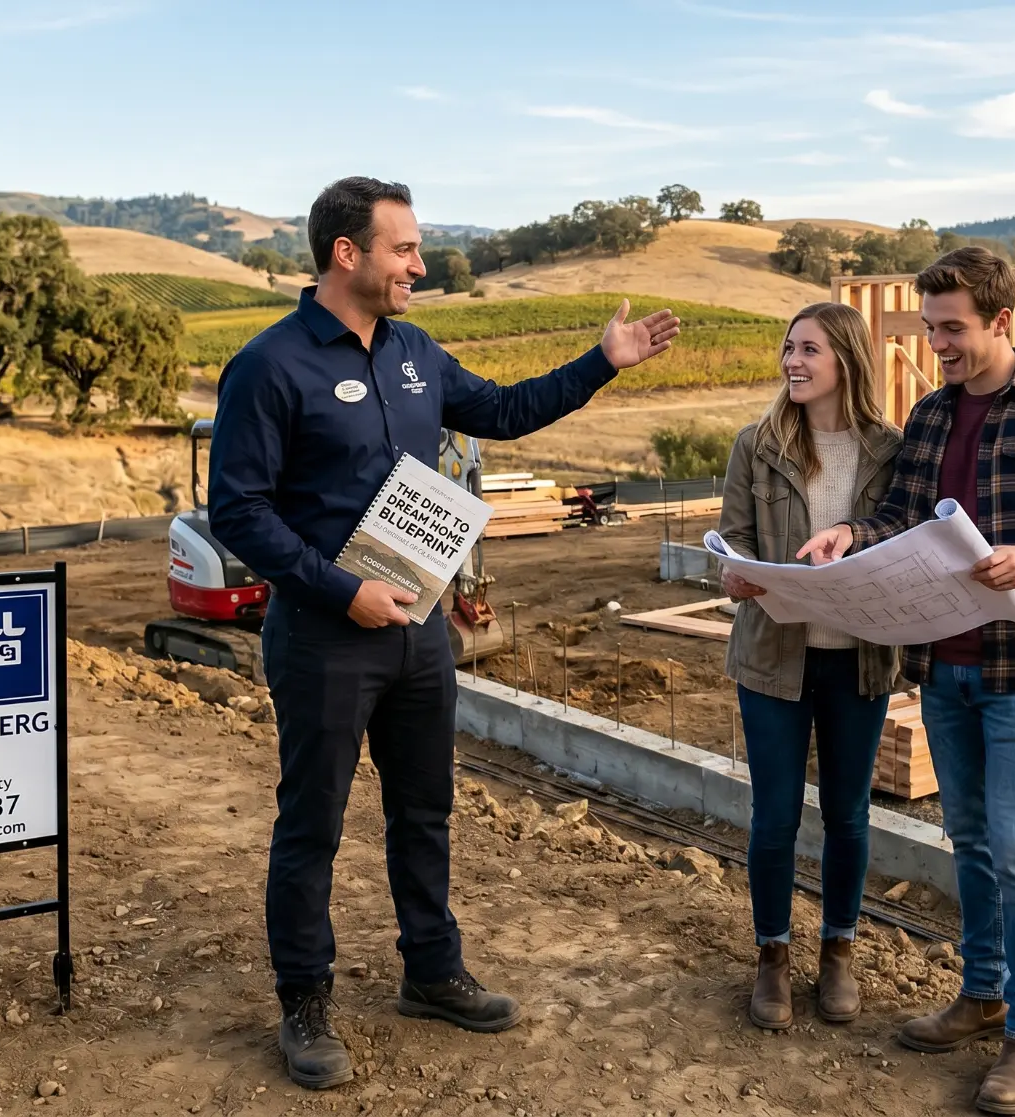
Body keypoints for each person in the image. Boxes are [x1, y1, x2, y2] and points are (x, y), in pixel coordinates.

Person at [208, 176, 682, 1090]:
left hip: (418, 633)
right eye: (405, 250)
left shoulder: (417, 352)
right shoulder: (270, 367)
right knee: (312, 824)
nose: (420, 265)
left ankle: (431, 970)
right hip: (325, 635)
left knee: (424, 809)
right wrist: (341, 590)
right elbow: (240, 511)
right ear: (347, 254)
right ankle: (304, 1001)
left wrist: (602, 361)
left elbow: (501, 411)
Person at [797, 247, 1015, 1114]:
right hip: (943, 663)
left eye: (952, 328)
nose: (936, 342)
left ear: (1000, 321)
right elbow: (903, 516)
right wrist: (852, 538)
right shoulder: (932, 414)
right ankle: (981, 995)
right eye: (930, 326)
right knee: (970, 841)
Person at [715, 302, 904, 1032]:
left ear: (847, 361)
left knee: (849, 815)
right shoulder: (755, 445)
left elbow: (905, 538)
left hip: (859, 661)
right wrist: (733, 574)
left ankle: (838, 953)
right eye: (788, 347)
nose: (792, 360)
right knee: (774, 816)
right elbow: (731, 540)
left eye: (809, 349)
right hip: (772, 660)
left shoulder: (890, 450)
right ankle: (771, 958)